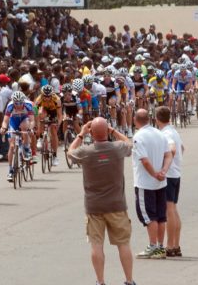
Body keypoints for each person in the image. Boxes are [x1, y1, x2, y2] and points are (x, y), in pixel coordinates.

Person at [67, 117, 135, 285]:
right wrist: (112, 130)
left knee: (96, 245)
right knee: (123, 244)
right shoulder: (117, 148)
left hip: (94, 206)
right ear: (106, 131)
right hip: (117, 205)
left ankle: (100, 281)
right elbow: (128, 142)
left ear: (92, 133)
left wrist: (81, 134)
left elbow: (70, 152)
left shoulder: (86, 151)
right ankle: (129, 280)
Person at [132, 109, 173, 260]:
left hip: (145, 183)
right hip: (160, 183)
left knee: (150, 217)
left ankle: (153, 246)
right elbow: (168, 155)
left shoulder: (138, 137)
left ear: (135, 120)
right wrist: (163, 171)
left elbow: (145, 160)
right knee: (161, 217)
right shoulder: (159, 133)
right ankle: (160, 247)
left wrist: (155, 173)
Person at [154, 106, 185, 257]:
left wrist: (165, 166)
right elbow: (182, 148)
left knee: (169, 210)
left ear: (157, 119)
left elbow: (172, 148)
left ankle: (170, 245)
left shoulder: (165, 134)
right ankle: (176, 244)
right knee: (173, 209)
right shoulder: (173, 131)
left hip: (170, 174)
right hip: (176, 173)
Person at [0, 91, 34, 182]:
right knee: (11, 146)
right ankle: (10, 170)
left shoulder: (28, 105)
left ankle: (26, 148)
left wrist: (30, 129)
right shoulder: (10, 106)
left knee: (24, 128)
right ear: (13, 102)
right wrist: (3, 127)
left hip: (24, 119)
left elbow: (31, 121)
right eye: (16, 103)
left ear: (23, 101)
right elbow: (5, 121)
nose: (18, 105)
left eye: (20, 103)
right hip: (13, 121)